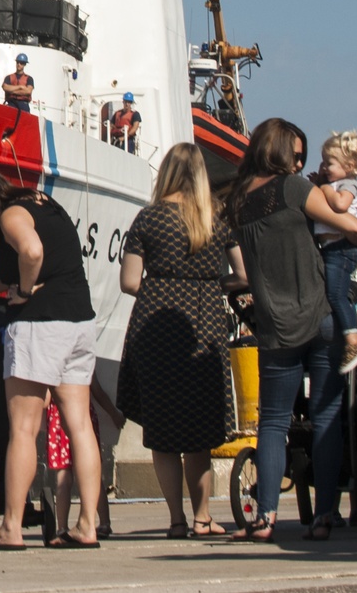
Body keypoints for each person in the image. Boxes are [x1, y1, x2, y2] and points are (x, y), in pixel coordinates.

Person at [225, 117, 357, 542]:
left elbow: (245, 270)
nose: (303, 162)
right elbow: (347, 224)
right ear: (285, 152)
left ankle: (265, 516)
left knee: (272, 422)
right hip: (319, 315)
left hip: (273, 324)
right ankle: (323, 515)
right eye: (297, 154)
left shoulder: (238, 201)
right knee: (324, 416)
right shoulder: (294, 189)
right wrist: (356, 228)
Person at [0, 164, 101, 549]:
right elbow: (37, 260)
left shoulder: (10, 215)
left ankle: (11, 527)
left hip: (39, 326)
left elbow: (32, 252)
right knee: (79, 426)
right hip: (78, 324)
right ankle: (86, 526)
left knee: (23, 428)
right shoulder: (40, 201)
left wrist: (27, 292)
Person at [116, 143, 247, 539]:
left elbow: (129, 282)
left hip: (157, 324)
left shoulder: (149, 219)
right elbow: (243, 274)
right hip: (203, 323)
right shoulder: (214, 219)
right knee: (201, 428)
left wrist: (164, 285)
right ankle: (202, 517)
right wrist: (210, 285)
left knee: (164, 429)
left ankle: (175, 518)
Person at [309, 131, 357, 373]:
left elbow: (339, 205)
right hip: (330, 247)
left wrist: (323, 186)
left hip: (340, 248)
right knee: (333, 295)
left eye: (329, 163)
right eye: (323, 162)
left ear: (350, 165)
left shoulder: (348, 185)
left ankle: (353, 342)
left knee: (336, 295)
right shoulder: (335, 183)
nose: (324, 167)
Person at [47, 371, 125, 542]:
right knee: (92, 475)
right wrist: (113, 412)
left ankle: (62, 527)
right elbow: (97, 391)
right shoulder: (81, 353)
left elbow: (45, 399)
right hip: (84, 417)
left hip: (59, 419)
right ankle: (104, 523)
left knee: (63, 475)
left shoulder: (50, 360)